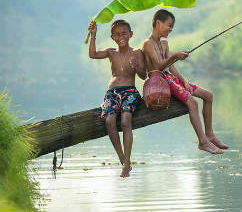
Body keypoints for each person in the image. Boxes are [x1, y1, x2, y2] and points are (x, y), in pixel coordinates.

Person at [142, 9, 228, 154]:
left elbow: (170, 66)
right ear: (158, 23)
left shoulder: (164, 43)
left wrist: (184, 81)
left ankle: (210, 135)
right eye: (169, 25)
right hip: (160, 81)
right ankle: (202, 142)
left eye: (172, 27)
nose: (171, 29)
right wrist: (174, 56)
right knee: (192, 103)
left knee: (208, 96)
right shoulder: (147, 43)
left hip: (171, 78)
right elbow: (158, 66)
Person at [88, 19, 146, 177]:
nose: (121, 37)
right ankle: (122, 160)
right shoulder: (111, 52)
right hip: (112, 92)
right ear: (113, 37)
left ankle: (127, 161)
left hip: (130, 91)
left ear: (131, 34)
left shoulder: (137, 53)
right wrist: (93, 35)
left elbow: (143, 75)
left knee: (126, 120)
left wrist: (136, 67)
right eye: (117, 34)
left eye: (124, 33)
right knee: (109, 121)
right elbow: (92, 54)